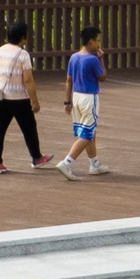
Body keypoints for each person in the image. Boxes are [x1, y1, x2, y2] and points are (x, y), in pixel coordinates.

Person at [0, 20, 67, 177]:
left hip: (0, 98)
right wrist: (35, 100)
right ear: (23, 37)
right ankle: (36, 157)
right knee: (29, 128)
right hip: (18, 98)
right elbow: (28, 80)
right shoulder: (23, 55)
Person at [57, 26, 109, 177]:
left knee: (89, 131)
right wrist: (101, 59)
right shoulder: (93, 60)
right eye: (97, 40)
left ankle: (94, 164)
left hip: (76, 96)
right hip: (89, 98)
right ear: (91, 41)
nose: (99, 43)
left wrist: (67, 102)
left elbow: (68, 81)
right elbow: (103, 77)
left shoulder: (74, 57)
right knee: (87, 134)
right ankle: (67, 162)